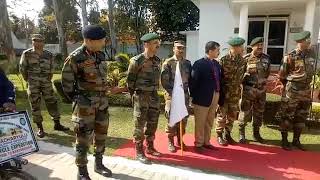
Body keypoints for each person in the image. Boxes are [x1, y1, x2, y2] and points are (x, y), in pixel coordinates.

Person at [61, 25, 113, 179]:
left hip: (102, 105)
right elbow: (66, 85)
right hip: (84, 107)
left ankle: (98, 163)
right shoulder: (75, 58)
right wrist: (80, 100)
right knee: (83, 139)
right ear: (89, 40)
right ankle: (82, 171)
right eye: (101, 40)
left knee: (101, 136)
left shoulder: (100, 55)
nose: (104, 42)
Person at [19, 34, 69, 138]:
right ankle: (40, 128)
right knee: (35, 105)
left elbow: (51, 69)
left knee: (52, 102)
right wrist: (28, 80)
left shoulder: (49, 54)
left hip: (46, 83)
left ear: (43, 42)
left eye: (40, 41)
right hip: (33, 84)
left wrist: (47, 79)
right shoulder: (27, 54)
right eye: (35, 40)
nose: (37, 42)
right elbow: (22, 69)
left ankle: (57, 124)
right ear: (32, 42)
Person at [127, 33, 162, 164]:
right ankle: (139, 151)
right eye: (154, 43)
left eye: (157, 42)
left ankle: (150, 147)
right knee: (139, 125)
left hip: (154, 95)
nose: (157, 45)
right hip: (141, 96)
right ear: (146, 44)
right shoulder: (136, 61)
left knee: (153, 123)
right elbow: (130, 82)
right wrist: (135, 96)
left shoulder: (157, 60)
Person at [278, 31, 315, 151]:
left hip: (306, 91)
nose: (309, 42)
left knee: (301, 116)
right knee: (287, 116)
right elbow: (282, 75)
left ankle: (296, 140)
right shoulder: (290, 56)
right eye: (306, 40)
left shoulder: (311, 55)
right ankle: (284, 140)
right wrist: (287, 87)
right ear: (300, 42)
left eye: (308, 40)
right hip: (292, 91)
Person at [190, 41, 221, 153]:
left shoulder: (217, 64)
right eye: (217, 50)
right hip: (202, 97)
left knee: (209, 121)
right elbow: (193, 82)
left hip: (215, 95)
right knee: (200, 122)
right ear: (211, 50)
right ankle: (198, 144)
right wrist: (193, 97)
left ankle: (206, 142)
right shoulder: (199, 63)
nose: (219, 52)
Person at [161, 40, 192, 153]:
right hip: (172, 96)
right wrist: (174, 94)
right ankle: (170, 141)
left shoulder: (187, 63)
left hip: (184, 96)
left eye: (182, 48)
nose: (181, 50)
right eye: (178, 48)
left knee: (183, 119)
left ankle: (180, 139)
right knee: (171, 119)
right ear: (173, 49)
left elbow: (190, 80)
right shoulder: (168, 63)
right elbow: (164, 82)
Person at [239, 37, 271, 144]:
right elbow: (240, 76)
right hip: (249, 90)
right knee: (245, 112)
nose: (260, 48)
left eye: (261, 46)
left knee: (259, 113)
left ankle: (256, 134)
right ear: (252, 47)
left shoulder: (267, 58)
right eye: (258, 46)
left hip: (261, 91)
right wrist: (245, 76)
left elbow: (267, 73)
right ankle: (241, 134)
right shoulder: (245, 58)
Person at [216, 37, 247, 146]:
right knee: (222, 115)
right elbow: (218, 78)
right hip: (224, 93)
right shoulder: (223, 60)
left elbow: (242, 76)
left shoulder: (242, 60)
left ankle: (227, 134)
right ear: (235, 47)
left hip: (235, 93)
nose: (243, 48)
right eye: (241, 47)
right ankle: (219, 135)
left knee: (232, 115)